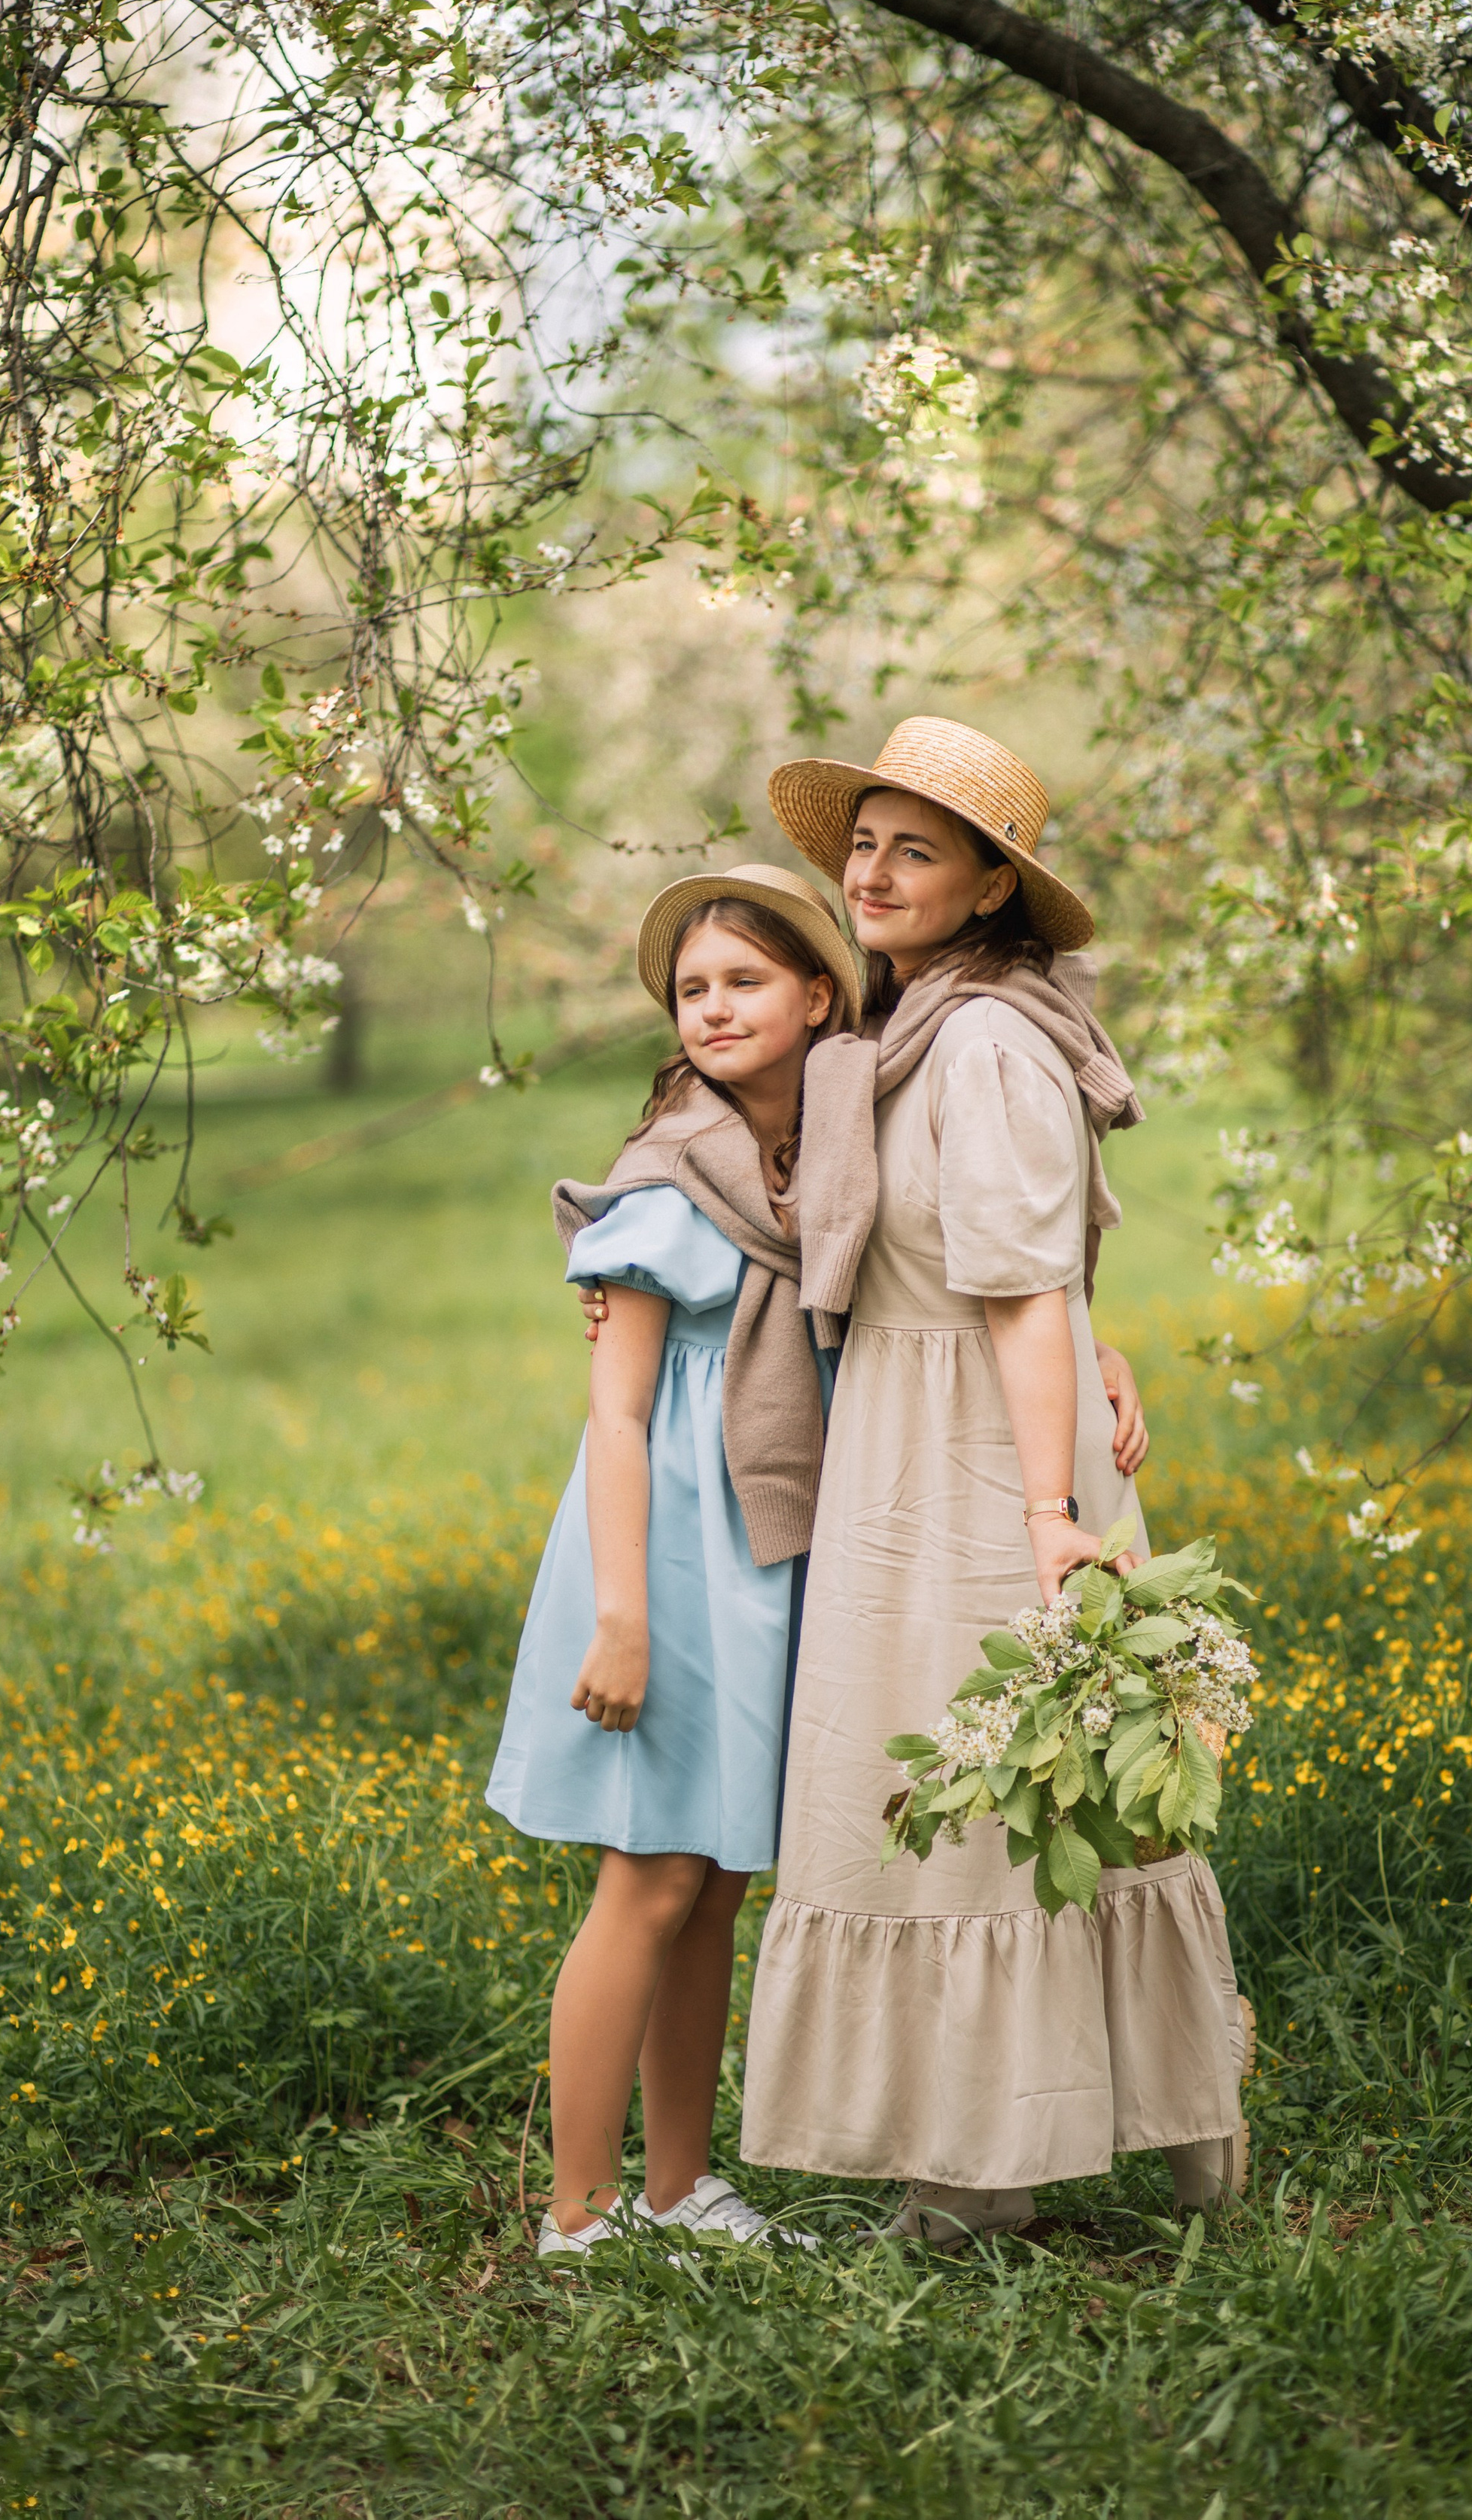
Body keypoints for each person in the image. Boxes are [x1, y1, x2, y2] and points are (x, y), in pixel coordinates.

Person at [740, 715, 1254, 2245]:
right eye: (864, 843)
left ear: (988, 887)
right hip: (920, 1434)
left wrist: (1049, 1512)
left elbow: (1027, 1289)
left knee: (1016, 1785)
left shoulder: (979, 1040)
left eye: (916, 849)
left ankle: (1124, 2150)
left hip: (981, 1457)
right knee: (963, 1788)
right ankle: (983, 2157)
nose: (873, 872)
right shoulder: (907, 1030)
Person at [485, 865, 861, 2259]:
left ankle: (679, 2188)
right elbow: (618, 1416)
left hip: (760, 1552)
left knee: (717, 1882)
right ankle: (578, 2208)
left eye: (744, 980)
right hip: (663, 1558)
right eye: (692, 989)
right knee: (647, 1878)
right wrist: (623, 1617)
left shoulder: (829, 1166)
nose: (712, 1007)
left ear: (818, 995)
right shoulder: (664, 1187)